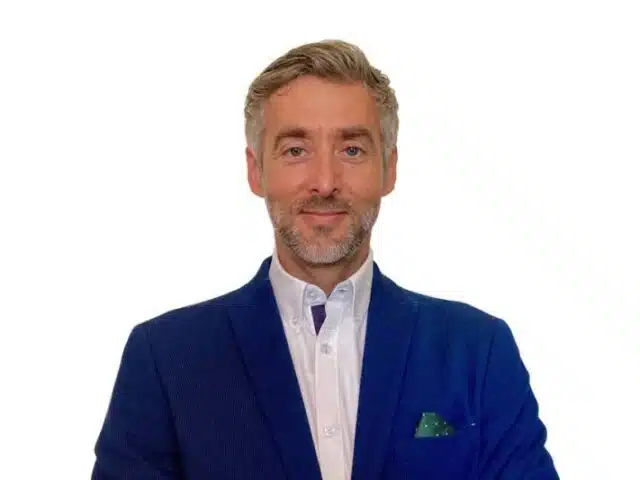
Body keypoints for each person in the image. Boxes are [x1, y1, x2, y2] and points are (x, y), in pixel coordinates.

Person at [91, 39, 559, 479]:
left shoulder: (477, 350)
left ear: (389, 168)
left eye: (352, 149)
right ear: (256, 171)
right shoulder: (167, 359)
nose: (325, 181)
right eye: (296, 150)